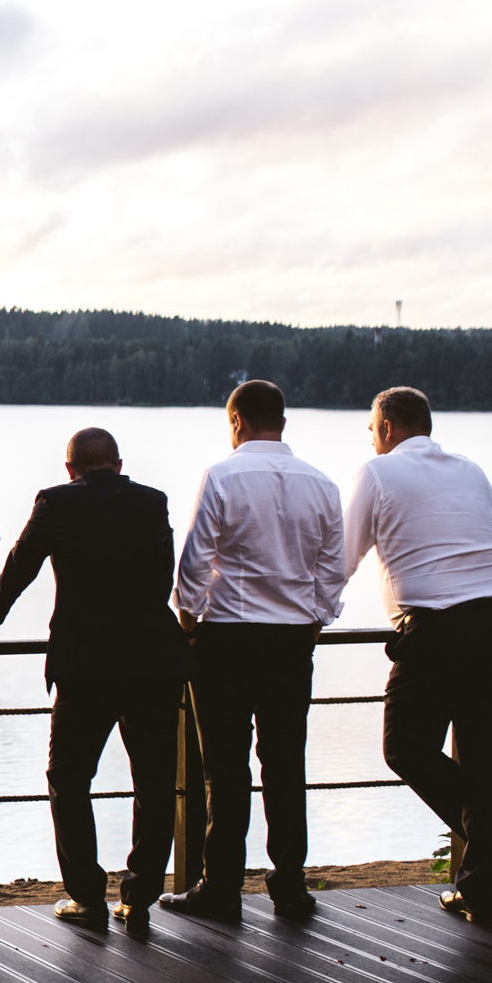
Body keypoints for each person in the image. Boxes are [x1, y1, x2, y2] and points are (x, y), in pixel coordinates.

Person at [0, 427, 186, 929]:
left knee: (68, 778)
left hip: (86, 663)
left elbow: (15, 574)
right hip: (154, 659)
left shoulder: (56, 503)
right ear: (118, 463)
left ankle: (86, 896)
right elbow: (163, 578)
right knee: (153, 780)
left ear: (70, 469)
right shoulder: (153, 503)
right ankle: (139, 896)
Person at [345, 386, 492, 922]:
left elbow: (343, 555)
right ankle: (481, 890)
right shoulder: (471, 470)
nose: (370, 438)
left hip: (439, 630)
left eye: (371, 428)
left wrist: (310, 613)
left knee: (405, 748)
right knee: (490, 761)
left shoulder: (378, 472)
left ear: (388, 428)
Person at [162, 379, 345, 922]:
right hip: (291, 640)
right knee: (286, 764)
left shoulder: (223, 475)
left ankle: (220, 887)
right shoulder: (322, 483)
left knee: (225, 767)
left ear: (236, 421)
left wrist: (189, 619)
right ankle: (289, 885)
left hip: (226, 639)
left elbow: (197, 557)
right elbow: (332, 567)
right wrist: (317, 618)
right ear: (281, 421)